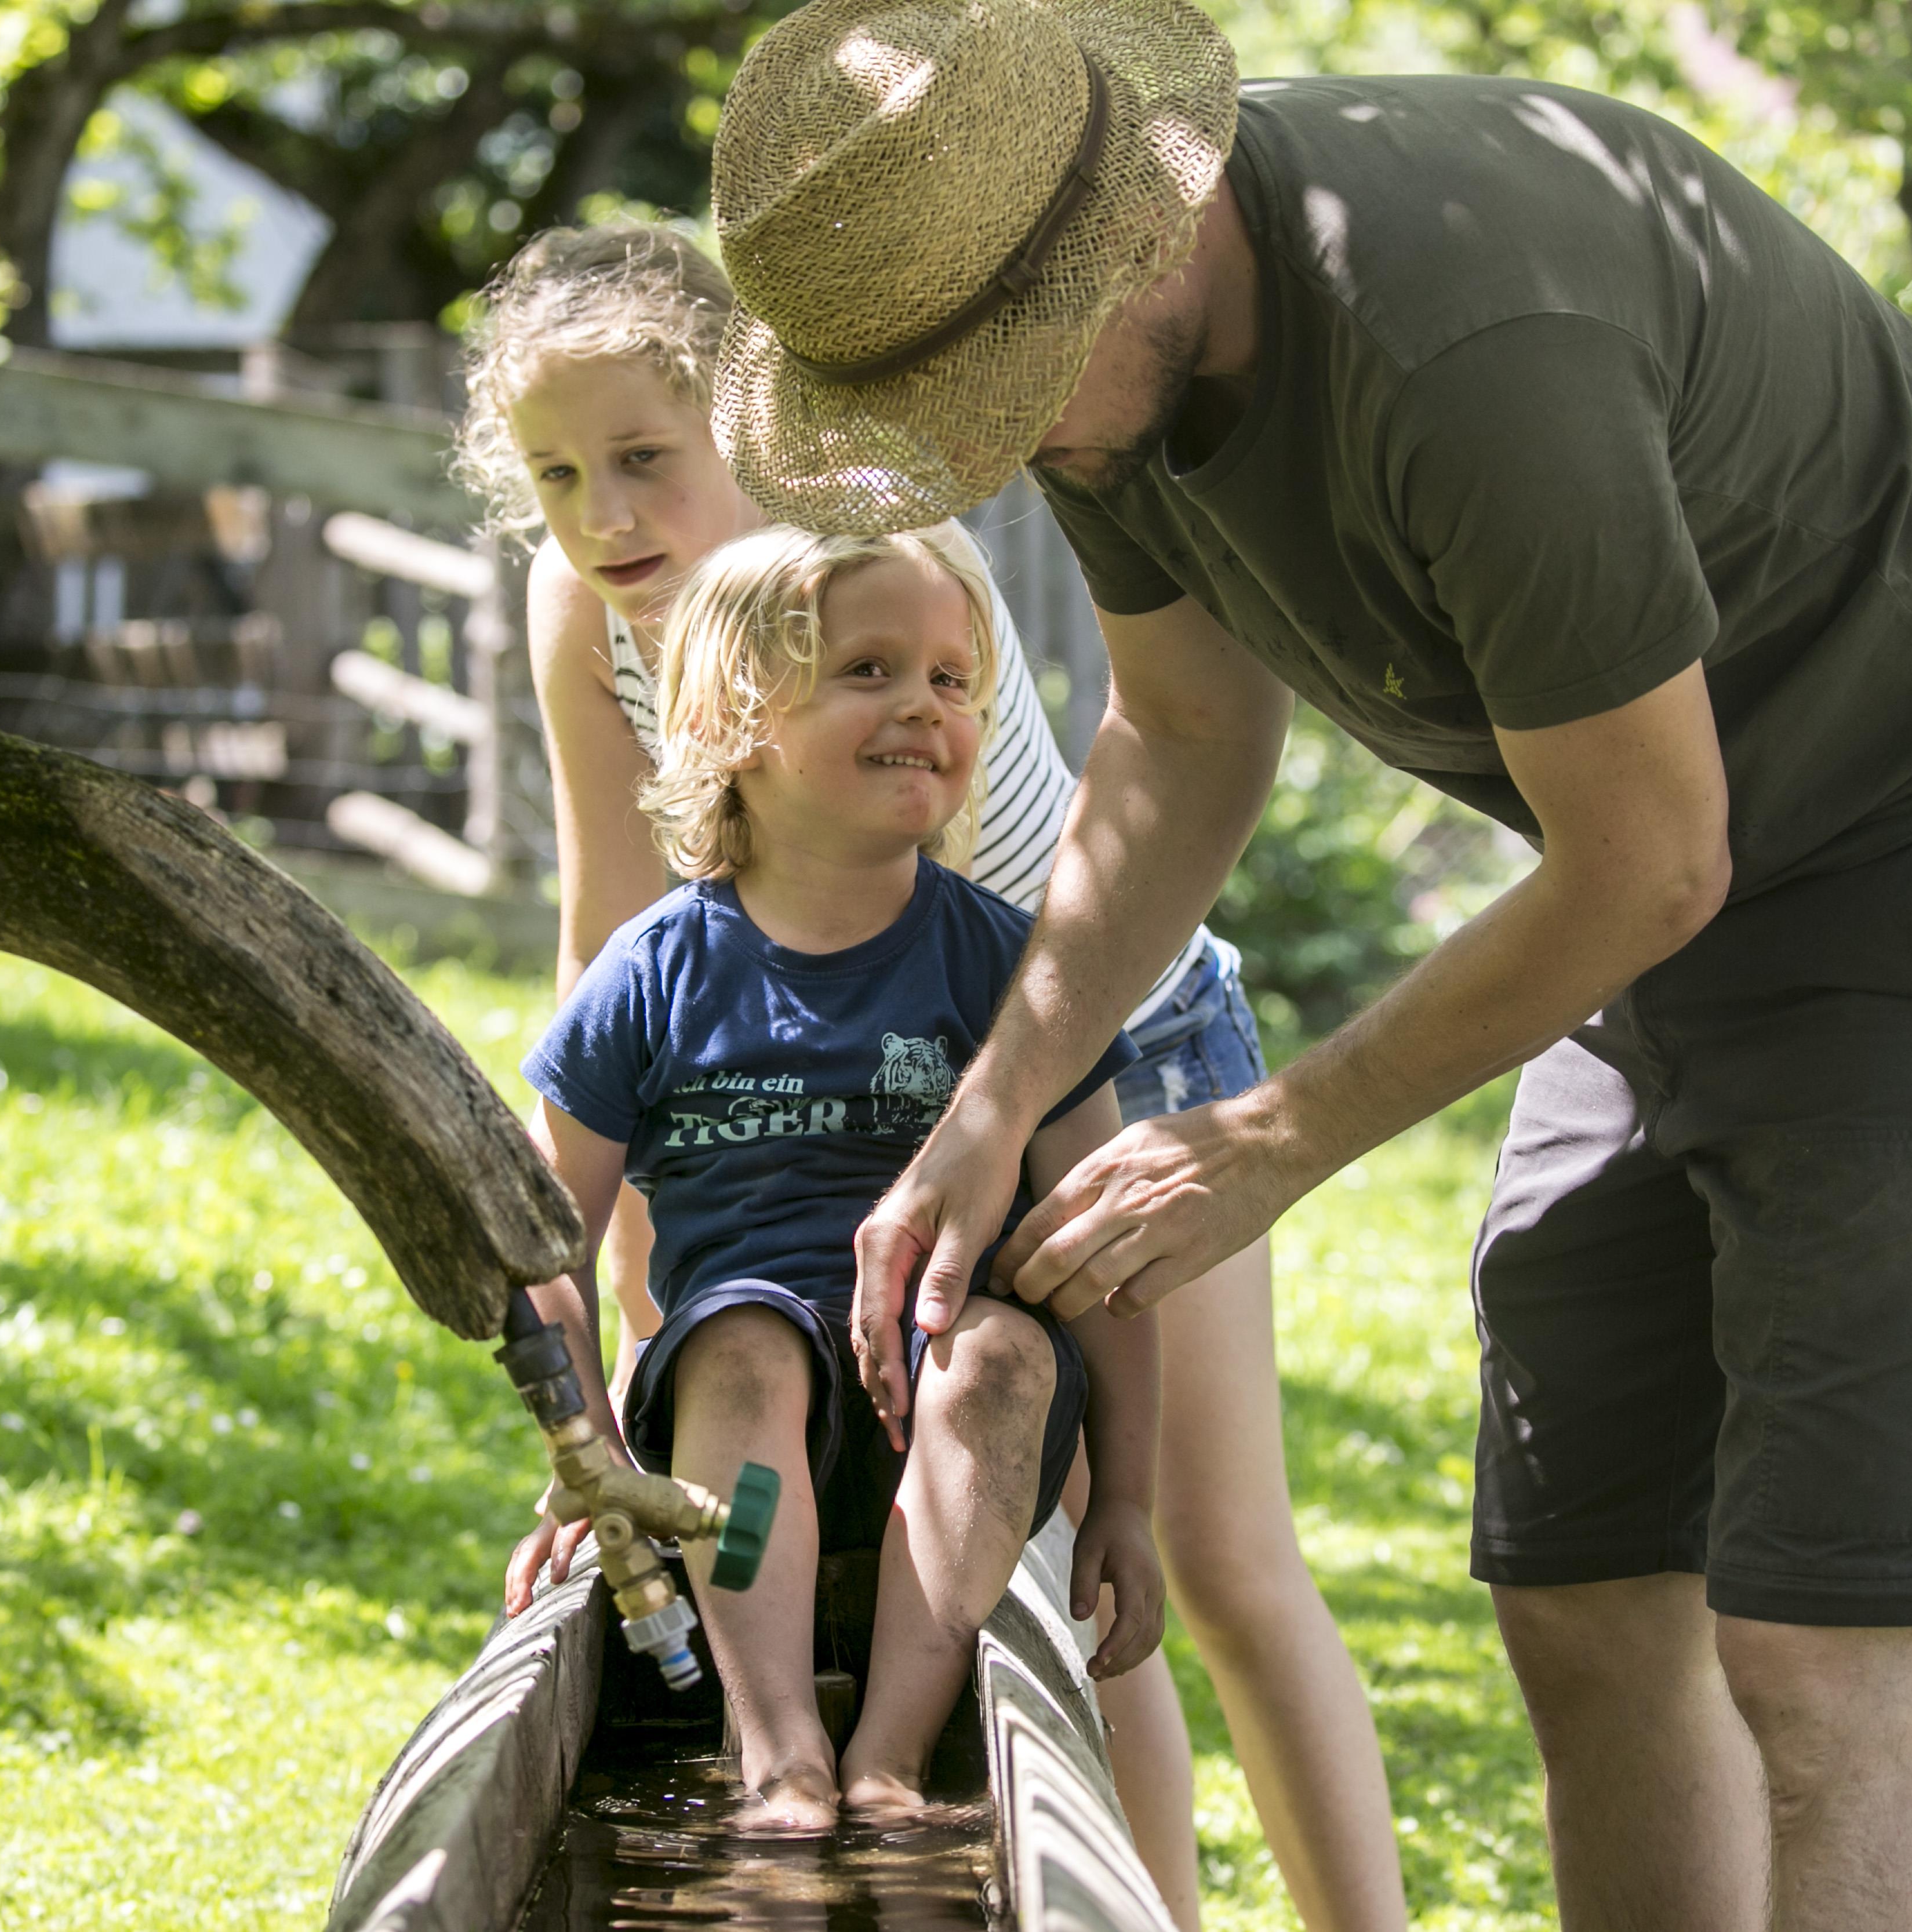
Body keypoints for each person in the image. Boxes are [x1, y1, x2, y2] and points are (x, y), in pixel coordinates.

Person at [704, 3, 1912, 1929]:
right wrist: (994, 1108)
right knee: (1586, 1587)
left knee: (1824, 1655)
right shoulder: (1090, 355)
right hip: (1664, 886)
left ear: (1135, 231)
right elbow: (1184, 735)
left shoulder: (1471, 336)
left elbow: (1651, 855)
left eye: (1004, 388)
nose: (1003, 444)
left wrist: (1267, 1137)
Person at [468, 223, 1410, 1929]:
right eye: (558, 476)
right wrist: (638, 1215)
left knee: (1198, 1550)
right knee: (794, 1409)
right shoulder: (586, 612)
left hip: (1090, 1033)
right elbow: (615, 910)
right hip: (819, 1075)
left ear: (745, 426)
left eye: (645, 457)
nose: (604, 514)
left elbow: (963, 933)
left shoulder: (877, 558)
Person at [514, 520, 1163, 1832]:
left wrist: (1131, 1499)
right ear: (733, 719)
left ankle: (891, 1749)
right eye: (870, 669)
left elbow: (1099, 1247)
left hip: (951, 1412)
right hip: (737, 1458)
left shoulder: (1015, 972)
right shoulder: (654, 973)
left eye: (950, 678)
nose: (925, 705)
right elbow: (540, 1248)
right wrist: (590, 1461)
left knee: (1000, 1349)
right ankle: (778, 1748)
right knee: (744, 1341)